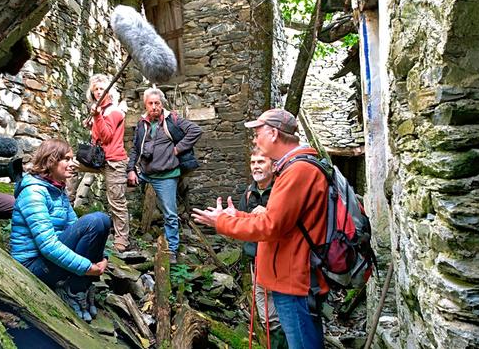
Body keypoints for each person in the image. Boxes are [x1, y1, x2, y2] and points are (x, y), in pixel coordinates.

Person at [192, 109, 329, 348]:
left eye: (257, 133)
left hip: (294, 280)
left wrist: (222, 223)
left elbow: (270, 226)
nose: (255, 140)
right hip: (291, 277)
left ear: (274, 133)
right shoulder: (294, 168)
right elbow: (283, 222)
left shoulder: (297, 171)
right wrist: (239, 215)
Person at [10, 139, 110, 322]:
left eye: (72, 159)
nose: (73, 164)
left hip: (48, 259)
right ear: (50, 161)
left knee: (102, 220)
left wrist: (103, 258)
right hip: (32, 265)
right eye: (66, 159)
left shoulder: (57, 190)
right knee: (95, 220)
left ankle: (76, 289)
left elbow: (75, 228)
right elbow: (47, 245)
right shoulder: (34, 192)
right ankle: (75, 290)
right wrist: (89, 268)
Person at [127, 87, 202, 264]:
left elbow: (195, 131)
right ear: (145, 105)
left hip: (167, 174)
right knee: (117, 190)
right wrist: (130, 170)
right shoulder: (142, 123)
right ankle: (124, 239)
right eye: (150, 103)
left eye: (157, 103)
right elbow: (135, 149)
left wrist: (178, 148)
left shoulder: (173, 120)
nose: (154, 106)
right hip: (145, 172)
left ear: (162, 104)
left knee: (170, 213)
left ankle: (172, 250)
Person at [77, 74, 130, 253]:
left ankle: (121, 239)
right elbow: (98, 135)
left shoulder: (114, 111)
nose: (99, 92)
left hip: (114, 160)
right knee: (70, 166)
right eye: (96, 90)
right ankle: (67, 210)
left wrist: (98, 117)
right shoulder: (99, 109)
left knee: (116, 200)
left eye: (102, 89)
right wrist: (91, 120)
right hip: (97, 158)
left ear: (108, 91)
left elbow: (107, 136)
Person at [240, 147, 287, 348]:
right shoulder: (249, 193)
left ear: (273, 165)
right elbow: (241, 227)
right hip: (256, 261)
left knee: (284, 311)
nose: (256, 166)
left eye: (261, 162)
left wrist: (268, 213)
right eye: (253, 163)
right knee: (266, 315)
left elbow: (292, 222)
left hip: (281, 262)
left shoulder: (282, 190)